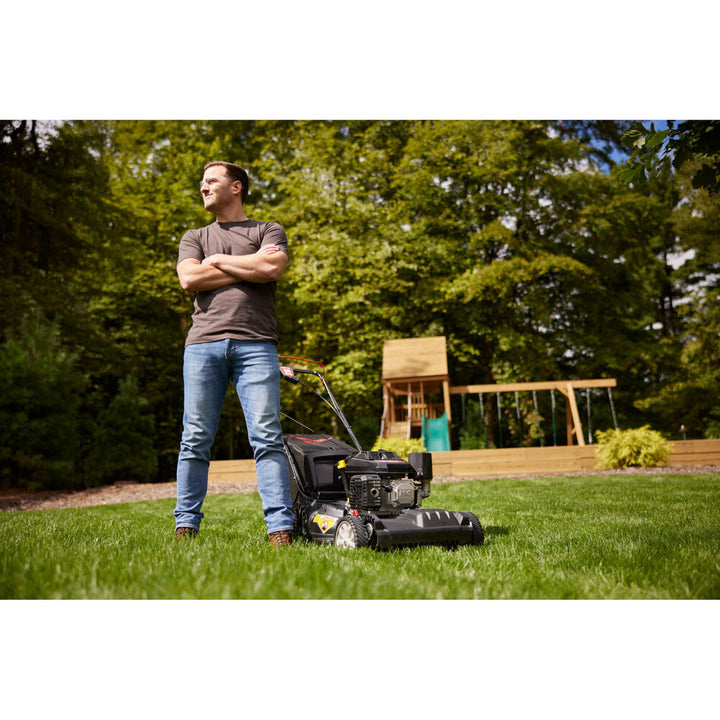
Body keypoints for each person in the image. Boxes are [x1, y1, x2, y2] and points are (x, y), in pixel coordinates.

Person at [173, 161, 294, 546]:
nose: (203, 187)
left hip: (257, 344)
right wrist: (250, 266)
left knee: (267, 438)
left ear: (236, 187)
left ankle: (280, 529)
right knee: (194, 438)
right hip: (202, 345)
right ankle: (186, 525)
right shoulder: (194, 236)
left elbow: (273, 267)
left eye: (212, 180)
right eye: (202, 182)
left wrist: (219, 262)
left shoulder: (266, 230)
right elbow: (189, 278)